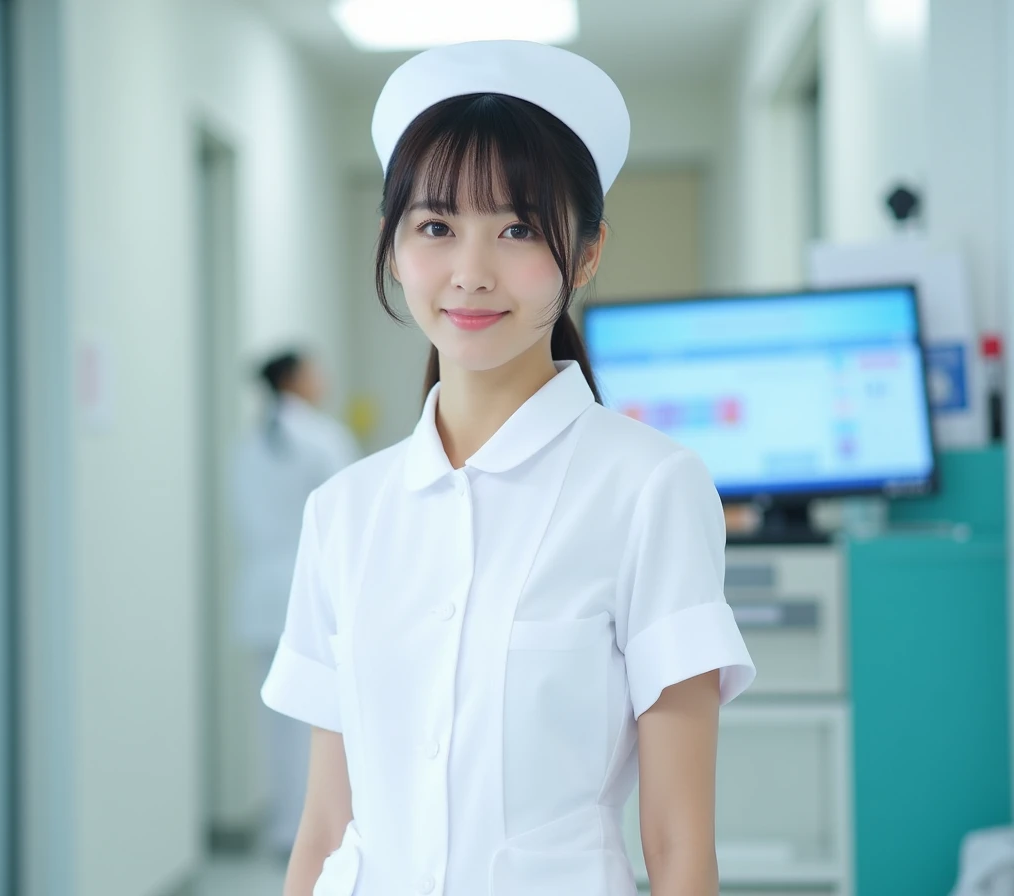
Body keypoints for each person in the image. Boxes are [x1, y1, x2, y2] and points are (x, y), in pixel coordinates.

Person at [261, 40, 756, 896]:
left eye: (519, 228)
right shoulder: (343, 511)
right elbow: (324, 827)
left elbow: (678, 845)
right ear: (393, 244)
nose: (471, 273)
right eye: (436, 226)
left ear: (587, 252)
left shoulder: (650, 490)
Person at [232, 349, 360, 860]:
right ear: (293, 379)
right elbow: (349, 516)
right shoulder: (323, 437)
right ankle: (314, 828)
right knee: (323, 718)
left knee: (276, 719)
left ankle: (285, 827)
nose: (322, 377)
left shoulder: (246, 445)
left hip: (260, 589)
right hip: (311, 588)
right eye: (314, 369)